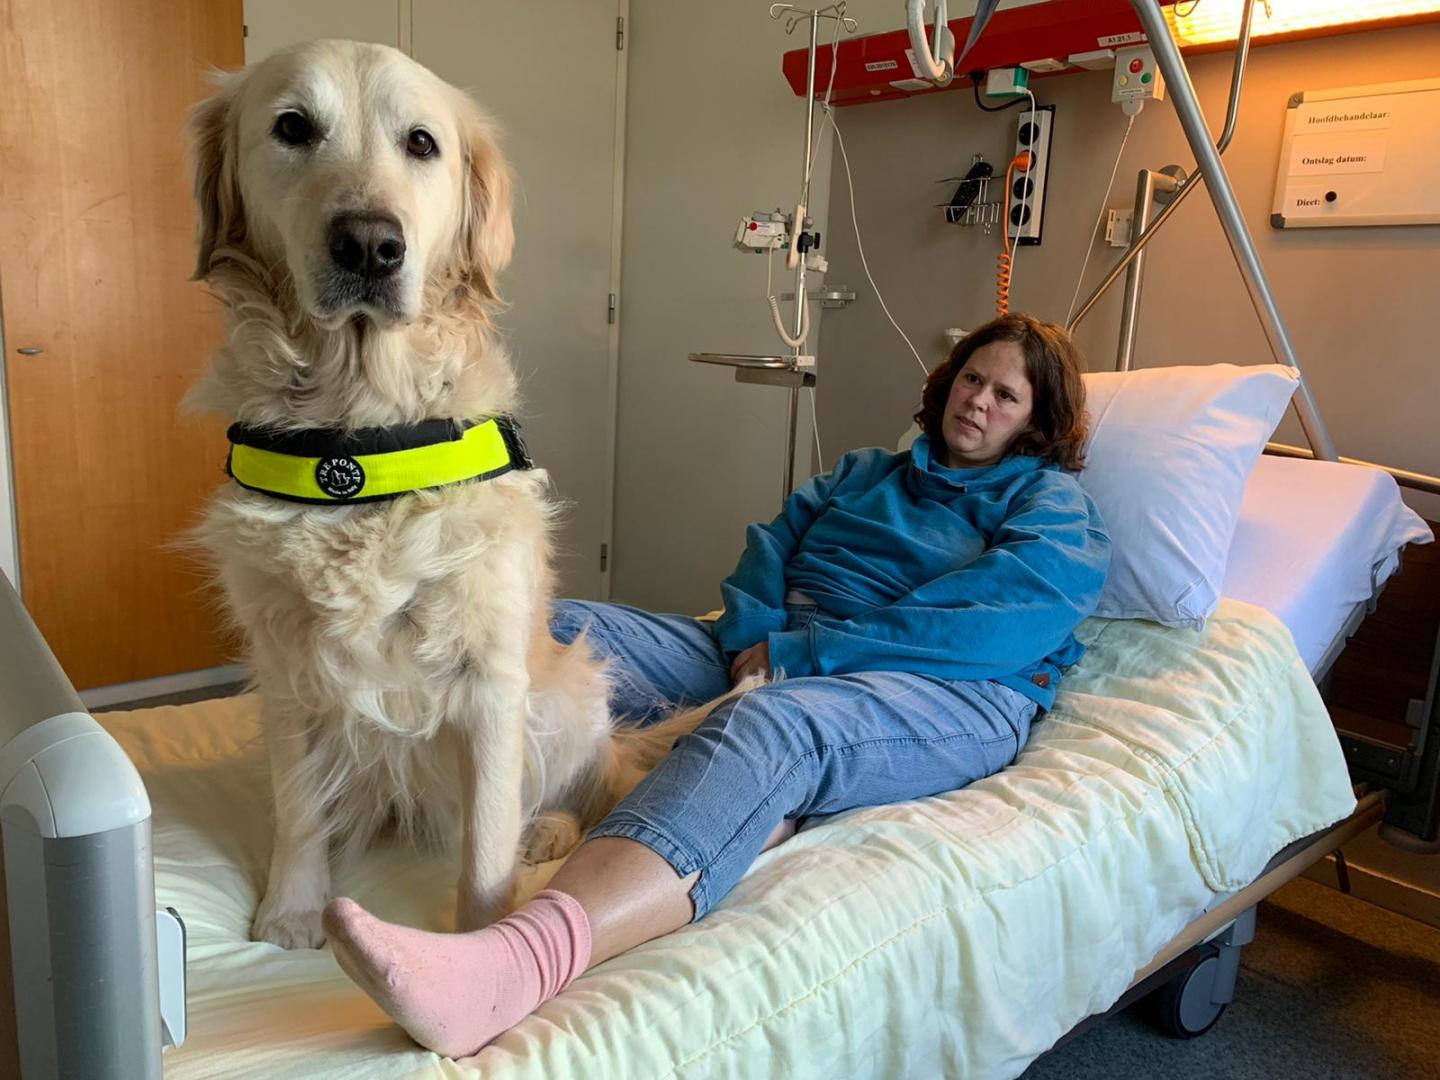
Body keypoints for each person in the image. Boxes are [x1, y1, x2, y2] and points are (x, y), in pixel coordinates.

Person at [322, 313, 1112, 1057]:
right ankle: (390, 791)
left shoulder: (1051, 505)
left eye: (1006, 395)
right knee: (545, 626)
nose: (978, 400)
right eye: (973, 378)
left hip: (937, 684)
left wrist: (799, 656)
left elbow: (990, 623)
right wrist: (751, 641)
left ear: (1035, 425)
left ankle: (509, 970)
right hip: (779, 647)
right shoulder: (871, 472)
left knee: (768, 728)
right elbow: (770, 549)